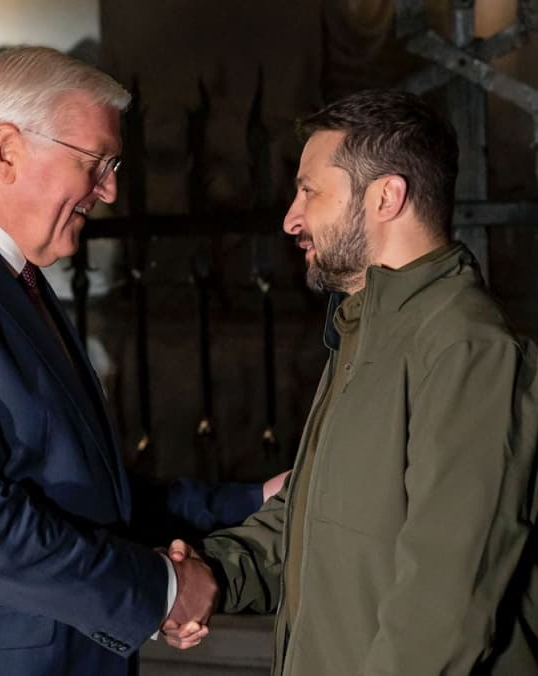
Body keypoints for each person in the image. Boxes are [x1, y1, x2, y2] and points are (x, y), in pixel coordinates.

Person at [0, 46, 287, 676]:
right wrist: (163, 591)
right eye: (97, 162)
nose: (110, 189)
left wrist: (246, 501)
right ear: (6, 150)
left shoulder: (2, 279)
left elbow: (73, 492)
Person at [163, 89, 538, 675]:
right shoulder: (365, 332)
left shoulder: (467, 349)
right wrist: (209, 574)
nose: (291, 216)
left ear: (387, 196)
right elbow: (311, 525)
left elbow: (443, 605)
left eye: (310, 190)